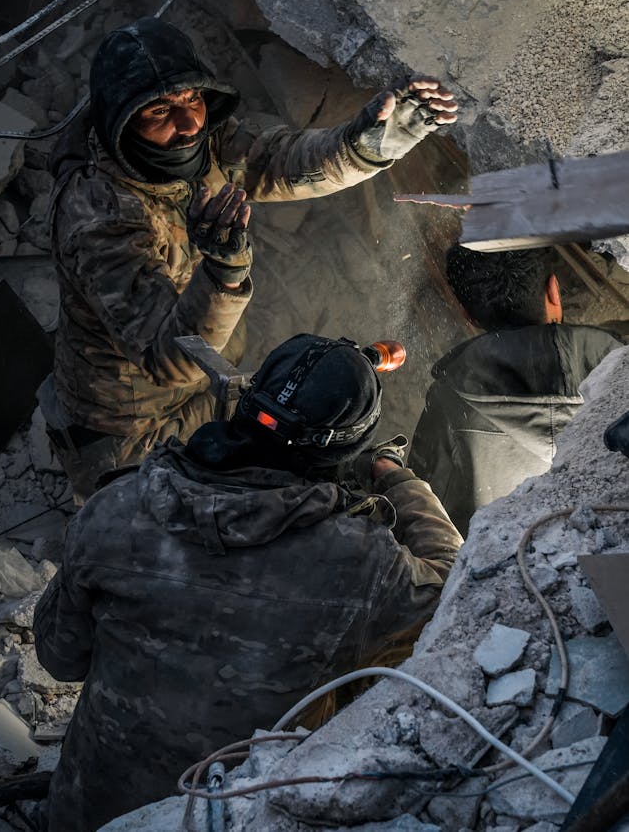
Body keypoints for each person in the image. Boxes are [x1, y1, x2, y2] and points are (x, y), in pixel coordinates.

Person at [34, 332, 463, 832]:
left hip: (84, 814)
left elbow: (58, 657)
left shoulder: (116, 507)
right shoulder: (360, 565)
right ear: (343, 455)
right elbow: (457, 586)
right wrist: (397, 477)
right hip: (216, 819)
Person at [40, 16, 457, 500]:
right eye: (158, 112)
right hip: (133, 427)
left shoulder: (203, 141)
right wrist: (225, 271)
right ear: (120, 123)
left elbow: (280, 161)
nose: (186, 125)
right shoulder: (99, 219)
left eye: (192, 100)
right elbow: (172, 359)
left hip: (207, 385)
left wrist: (371, 142)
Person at [408, 245, 623, 535]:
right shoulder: (621, 370)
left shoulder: (448, 403)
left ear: (468, 316)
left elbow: (430, 517)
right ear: (554, 291)